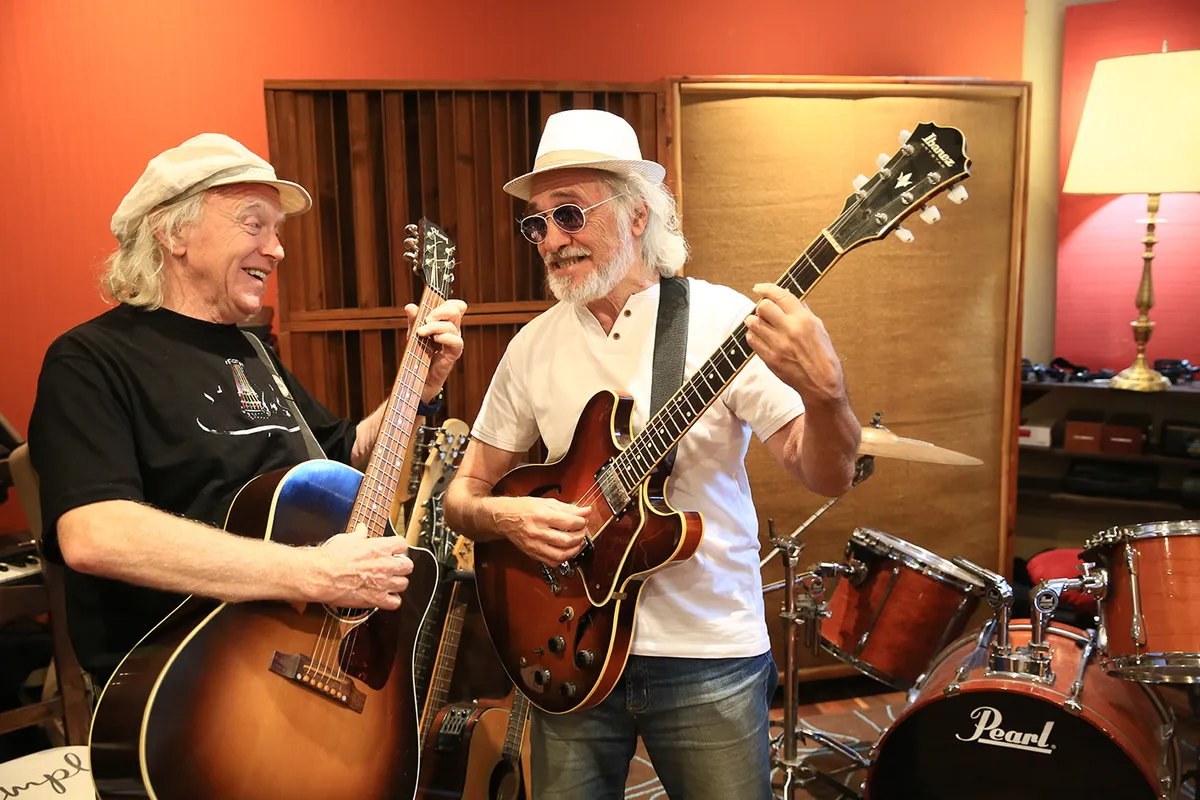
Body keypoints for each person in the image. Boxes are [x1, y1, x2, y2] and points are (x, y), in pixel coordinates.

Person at [443, 109, 861, 799]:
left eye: (569, 214)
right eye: (535, 223)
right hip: (567, 650)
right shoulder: (533, 346)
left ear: (637, 214)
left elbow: (827, 474)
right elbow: (464, 496)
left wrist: (829, 395)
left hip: (710, 658)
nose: (550, 238)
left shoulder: (725, 323)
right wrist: (510, 522)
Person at [28, 133, 466, 683]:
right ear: (174, 232)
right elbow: (96, 534)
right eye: (253, 223)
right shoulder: (90, 359)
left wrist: (418, 387)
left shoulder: (255, 351)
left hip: (292, 665)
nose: (277, 249)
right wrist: (312, 574)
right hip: (181, 690)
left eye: (277, 232)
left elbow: (345, 455)